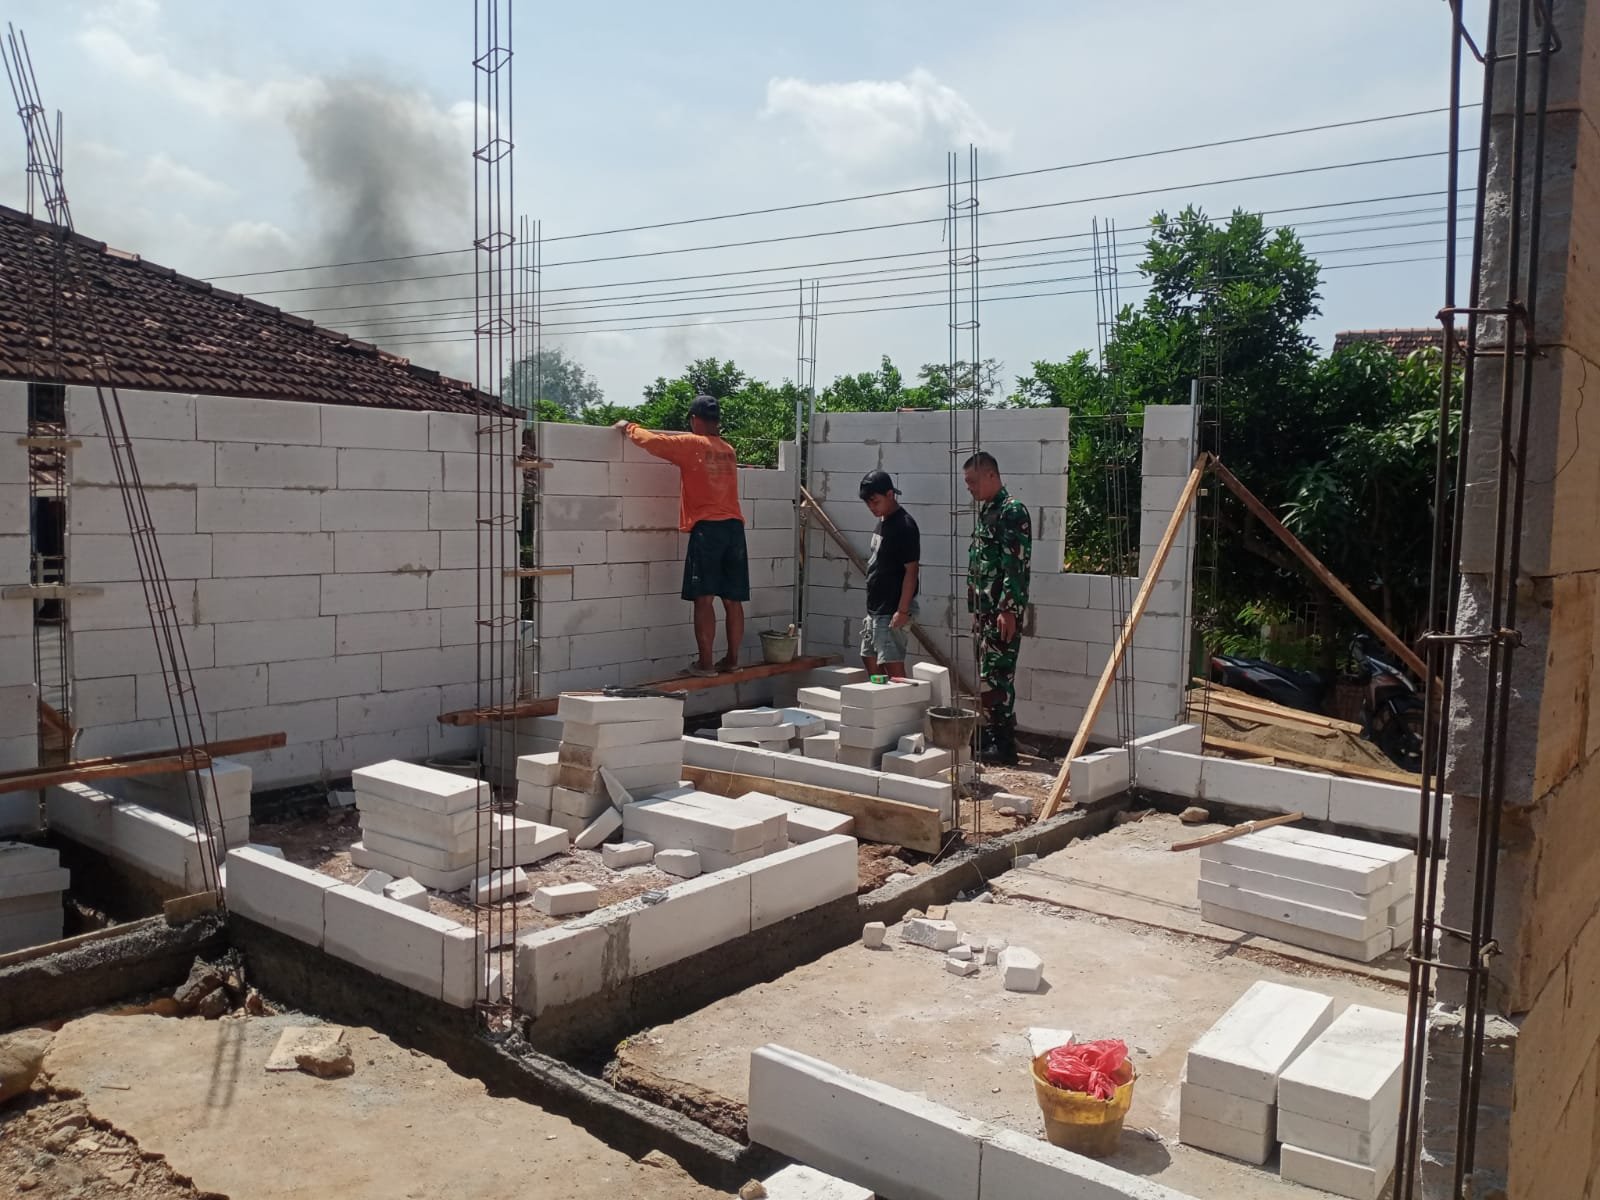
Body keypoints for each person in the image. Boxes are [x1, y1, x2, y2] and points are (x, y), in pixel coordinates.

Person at [614, 395, 747, 677]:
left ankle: (706, 665)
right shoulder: (728, 450)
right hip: (734, 529)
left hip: (708, 530)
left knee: (704, 598)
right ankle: (733, 660)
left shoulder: (692, 443)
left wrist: (628, 427)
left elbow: (653, 442)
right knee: (732, 599)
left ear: (695, 420)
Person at [963, 450, 1032, 765]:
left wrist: (1007, 609)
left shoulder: (1011, 511)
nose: (969, 488)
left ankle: (1004, 746)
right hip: (986, 610)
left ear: (992, 475)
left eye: (973, 481)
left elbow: (1015, 564)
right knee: (987, 674)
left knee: (998, 675)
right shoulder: (989, 510)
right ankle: (994, 734)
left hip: (1000, 612)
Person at [857, 469, 920, 678]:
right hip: (876, 608)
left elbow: (911, 571)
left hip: (892, 608)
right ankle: (879, 699)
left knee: (892, 666)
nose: (871, 508)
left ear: (890, 495)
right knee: (869, 657)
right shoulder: (883, 521)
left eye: (875, 502)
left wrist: (902, 611)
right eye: (868, 504)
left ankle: (902, 699)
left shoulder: (904, 525)